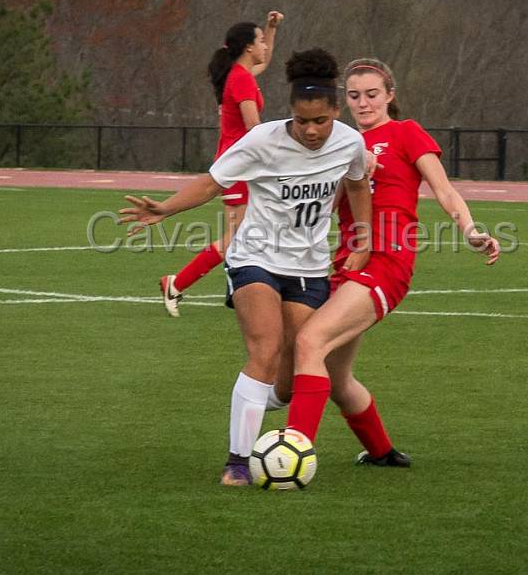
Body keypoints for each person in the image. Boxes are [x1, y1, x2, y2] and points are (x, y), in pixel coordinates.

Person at [120, 49, 372, 485]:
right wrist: (165, 209)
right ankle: (237, 462)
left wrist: (364, 235)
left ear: (335, 110)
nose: (310, 131)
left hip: (309, 268)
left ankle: (251, 401)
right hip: (255, 256)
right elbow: (211, 182)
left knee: (290, 381)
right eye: (301, 121)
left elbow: (356, 183)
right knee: (264, 349)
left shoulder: (350, 142)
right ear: (290, 112)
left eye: (320, 121)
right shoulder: (262, 141)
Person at [285, 57, 500, 466]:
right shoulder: (340, 143)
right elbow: (323, 210)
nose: (363, 103)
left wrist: (471, 231)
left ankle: (293, 454)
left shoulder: (405, 133)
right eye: (353, 96)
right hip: (346, 265)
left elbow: (445, 190)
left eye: (371, 94)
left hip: (386, 262)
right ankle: (382, 452)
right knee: (334, 376)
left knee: (309, 341)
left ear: (389, 96)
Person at [159, 11, 284, 317]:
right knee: (236, 237)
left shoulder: (241, 74)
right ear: (247, 48)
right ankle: (177, 283)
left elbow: (265, 62)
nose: (265, 46)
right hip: (239, 168)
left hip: (245, 166)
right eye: (260, 42)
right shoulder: (240, 79)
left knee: (250, 233)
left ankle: (234, 286)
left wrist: (270, 28)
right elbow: (254, 127)